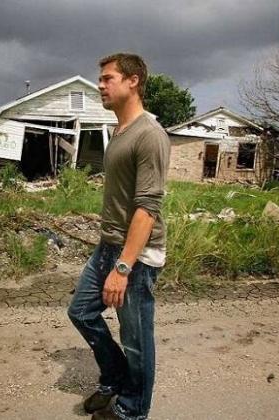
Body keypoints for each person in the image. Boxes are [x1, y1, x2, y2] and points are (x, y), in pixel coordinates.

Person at [67, 53, 170, 420]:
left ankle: (132, 410)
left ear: (133, 81)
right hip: (108, 245)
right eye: (101, 79)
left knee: (136, 341)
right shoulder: (119, 131)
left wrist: (123, 267)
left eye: (108, 78)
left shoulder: (150, 135)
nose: (100, 85)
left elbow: (147, 208)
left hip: (136, 256)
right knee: (80, 312)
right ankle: (115, 377)